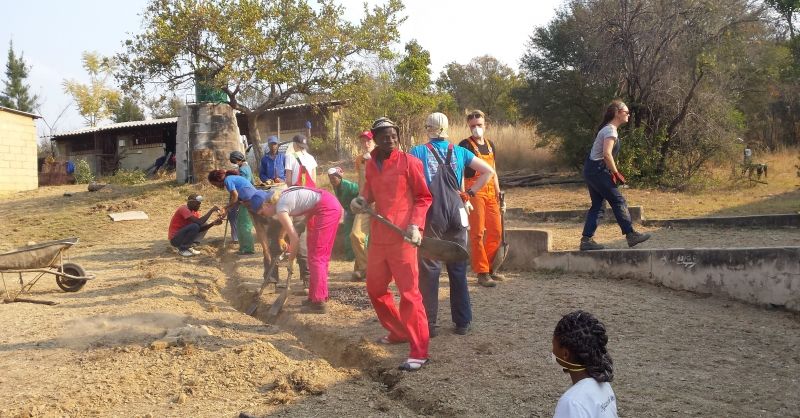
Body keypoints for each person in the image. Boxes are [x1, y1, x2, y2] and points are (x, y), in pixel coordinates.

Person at [350, 117, 433, 371]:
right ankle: (397, 331)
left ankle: (419, 350)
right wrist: (360, 200)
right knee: (375, 288)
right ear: (375, 138)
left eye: (394, 136)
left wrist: (416, 226)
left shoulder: (410, 162)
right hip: (379, 237)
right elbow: (369, 192)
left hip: (403, 238)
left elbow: (423, 197)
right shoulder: (371, 164)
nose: (391, 140)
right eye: (385, 136)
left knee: (409, 295)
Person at [409, 112, 495, 337]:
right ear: (447, 128)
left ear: (428, 128)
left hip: (434, 212)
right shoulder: (460, 151)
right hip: (458, 210)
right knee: (457, 266)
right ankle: (462, 322)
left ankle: (429, 324)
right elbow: (489, 171)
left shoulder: (417, 152)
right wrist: (470, 193)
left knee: (430, 268)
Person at [243, 186, 343, 313]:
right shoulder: (282, 197)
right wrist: (304, 221)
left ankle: (319, 303)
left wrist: (290, 261)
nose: (265, 216)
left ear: (267, 204)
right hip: (324, 206)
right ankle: (314, 297)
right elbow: (311, 199)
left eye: (262, 213)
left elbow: (294, 239)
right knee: (316, 255)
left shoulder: (281, 208)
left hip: (327, 209)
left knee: (318, 257)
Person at [580, 100, 650, 251]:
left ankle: (586, 240)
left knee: (598, 206)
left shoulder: (607, 129)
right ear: (618, 113)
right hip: (597, 170)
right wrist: (616, 173)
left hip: (591, 170)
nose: (628, 114)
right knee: (618, 200)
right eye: (626, 112)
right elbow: (606, 154)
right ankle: (631, 235)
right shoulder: (610, 130)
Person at [458, 110, 505, 288]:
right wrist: (465, 195)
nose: (476, 128)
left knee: (496, 232)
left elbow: (493, 171)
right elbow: (460, 172)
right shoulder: (464, 145)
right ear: (468, 126)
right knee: (477, 233)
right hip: (474, 191)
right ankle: (482, 272)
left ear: (485, 125)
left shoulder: (491, 144)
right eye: (473, 126)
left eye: (479, 125)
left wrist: (499, 192)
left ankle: (491, 267)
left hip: (492, 192)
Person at [552, 310, 618, 418]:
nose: (552, 351)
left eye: (553, 345)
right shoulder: (604, 384)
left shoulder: (572, 402)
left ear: (565, 354)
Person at [207, 169, 257, 256]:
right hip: (246, 201)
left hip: (250, 201)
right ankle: (244, 248)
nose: (216, 186)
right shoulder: (231, 179)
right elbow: (234, 200)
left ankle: (248, 249)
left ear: (218, 180)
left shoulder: (227, 180)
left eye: (215, 184)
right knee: (240, 225)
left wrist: (225, 207)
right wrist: (226, 211)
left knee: (244, 226)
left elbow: (235, 197)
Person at [350, 130, 375, 281]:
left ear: (374, 141)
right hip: (364, 203)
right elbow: (361, 182)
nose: (366, 144)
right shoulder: (359, 160)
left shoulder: (381, 157)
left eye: (369, 141)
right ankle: (366, 268)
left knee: (379, 239)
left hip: (381, 203)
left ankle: (366, 269)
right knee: (355, 235)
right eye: (363, 141)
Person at [327, 167, 359, 262]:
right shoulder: (336, 186)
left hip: (357, 211)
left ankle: (362, 255)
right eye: (330, 179)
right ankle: (350, 256)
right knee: (347, 234)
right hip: (348, 212)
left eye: (334, 178)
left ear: (340, 177)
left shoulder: (349, 186)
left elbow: (361, 192)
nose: (332, 180)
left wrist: (357, 205)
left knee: (358, 234)